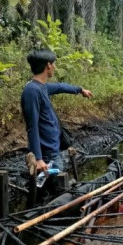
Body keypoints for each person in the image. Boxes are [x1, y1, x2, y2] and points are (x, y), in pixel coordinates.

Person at [21, 49, 93, 178]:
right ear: (48, 65)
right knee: (54, 189)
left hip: (53, 149)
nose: (55, 67)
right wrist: (38, 158)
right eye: (54, 63)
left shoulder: (42, 87)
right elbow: (32, 127)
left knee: (55, 185)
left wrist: (80, 90)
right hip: (46, 155)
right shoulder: (32, 91)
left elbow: (60, 87)